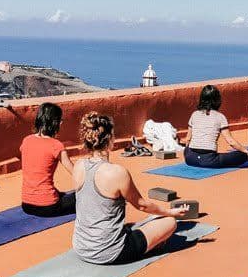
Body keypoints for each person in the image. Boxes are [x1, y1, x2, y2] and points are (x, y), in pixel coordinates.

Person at [72, 113, 188, 265]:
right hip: (111, 252)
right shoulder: (117, 172)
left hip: (81, 247)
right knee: (169, 222)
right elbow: (142, 205)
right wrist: (170, 212)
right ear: (110, 139)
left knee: (140, 224)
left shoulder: (78, 166)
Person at [20, 102, 76, 217]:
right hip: (49, 206)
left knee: (62, 195)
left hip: (26, 205)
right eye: (60, 121)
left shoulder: (26, 140)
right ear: (55, 123)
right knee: (82, 197)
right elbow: (75, 173)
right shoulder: (56, 145)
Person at [184, 85, 248, 169]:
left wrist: (188, 152)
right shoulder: (220, 117)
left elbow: (188, 139)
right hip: (209, 160)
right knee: (241, 156)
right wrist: (246, 152)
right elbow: (230, 141)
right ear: (217, 100)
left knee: (189, 151)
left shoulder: (194, 114)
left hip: (190, 159)